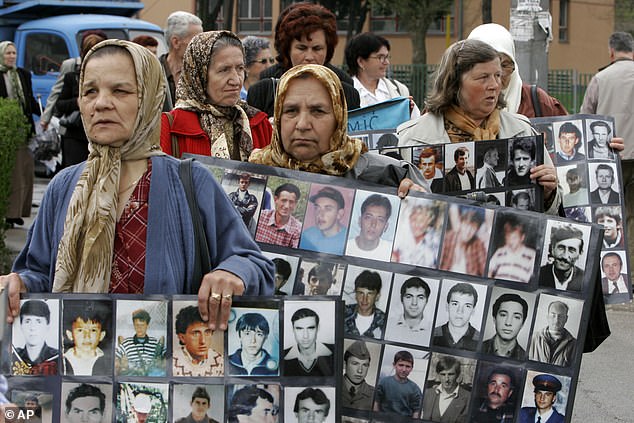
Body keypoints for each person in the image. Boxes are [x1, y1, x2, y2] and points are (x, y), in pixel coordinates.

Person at [1, 40, 274, 331]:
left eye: (120, 90)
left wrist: (231, 273)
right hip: (79, 366)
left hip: (165, 368)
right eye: (90, 91)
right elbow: (39, 271)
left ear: (150, 98)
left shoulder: (191, 182)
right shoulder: (64, 187)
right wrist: (19, 282)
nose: (101, 103)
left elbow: (254, 264)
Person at [397, 39, 562, 214]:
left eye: (498, 75)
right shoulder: (412, 138)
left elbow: (552, 211)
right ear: (454, 83)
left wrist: (548, 194)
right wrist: (400, 195)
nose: (494, 85)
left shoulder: (522, 131)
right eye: (483, 77)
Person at [248, 64, 427, 195]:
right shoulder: (251, 174)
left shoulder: (389, 174)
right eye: (291, 111)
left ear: (339, 118)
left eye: (317, 111)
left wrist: (414, 197)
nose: (302, 124)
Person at [160, 31, 272, 160]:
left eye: (240, 68)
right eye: (224, 70)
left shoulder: (259, 125)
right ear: (199, 76)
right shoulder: (172, 128)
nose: (236, 80)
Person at [581, 32, 633, 280]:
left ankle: (607, 270)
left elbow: (584, 117)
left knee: (608, 213)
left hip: (609, 161)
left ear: (611, 52)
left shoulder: (600, 79)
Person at [247, 2, 360, 117]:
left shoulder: (344, 90)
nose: (309, 57)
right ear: (288, 49)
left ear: (327, 50)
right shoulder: (265, 90)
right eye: (302, 48)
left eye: (317, 49)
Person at [467, 23, 568, 118]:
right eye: (485, 71)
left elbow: (568, 131)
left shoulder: (536, 100)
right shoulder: (456, 108)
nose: (496, 79)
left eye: (504, 65)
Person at [0, 41, 40, 228]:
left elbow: (30, 100)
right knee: (10, 172)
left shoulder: (23, 74)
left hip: (23, 130)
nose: (11, 56)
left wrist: (46, 116)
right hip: (5, 131)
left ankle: (18, 212)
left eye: (14, 53)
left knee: (25, 171)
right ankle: (8, 212)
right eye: (8, 53)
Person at [55, 32, 107, 168]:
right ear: (83, 53)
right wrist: (77, 102)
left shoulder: (112, 79)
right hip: (75, 136)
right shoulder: (73, 77)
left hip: (103, 137)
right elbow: (59, 106)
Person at [39, 30, 108, 131]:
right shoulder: (71, 66)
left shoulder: (110, 69)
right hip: (75, 125)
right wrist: (45, 118)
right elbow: (57, 92)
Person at [344, 32, 420, 118]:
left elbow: (415, 121)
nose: (386, 62)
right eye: (380, 57)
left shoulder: (399, 90)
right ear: (361, 61)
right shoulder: (345, 93)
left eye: (387, 57)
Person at [159, 11, 203, 106]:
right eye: (196, 41)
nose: (201, 46)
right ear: (176, 42)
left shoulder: (201, 74)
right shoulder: (153, 71)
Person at [62, 301, 111, 376]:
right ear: (70, 334)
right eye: (80, 330)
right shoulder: (62, 361)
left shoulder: (109, 361)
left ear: (101, 335)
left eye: (93, 330)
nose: (87, 336)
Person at [11, 300, 59, 375]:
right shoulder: (13, 357)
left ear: (47, 325)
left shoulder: (58, 359)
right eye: (27, 321)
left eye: (38, 321)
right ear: (21, 325)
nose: (32, 328)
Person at [173, 305, 223, 377]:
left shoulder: (220, 362)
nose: (203, 341)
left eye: (207, 332)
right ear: (182, 338)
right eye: (196, 333)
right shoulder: (172, 362)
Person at [283, 307, 334, 377]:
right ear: (293, 329)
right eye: (299, 329)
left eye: (310, 328)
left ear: (318, 328)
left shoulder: (335, 351)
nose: (305, 336)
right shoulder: (282, 356)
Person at [391, 200, 442, 268]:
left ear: (428, 221)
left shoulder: (435, 240)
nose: (416, 225)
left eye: (421, 221)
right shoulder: (403, 235)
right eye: (414, 219)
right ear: (409, 218)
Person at [439, 206, 488, 277]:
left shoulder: (478, 244)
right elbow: (438, 265)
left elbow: (485, 272)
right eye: (466, 225)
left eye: (473, 228)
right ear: (461, 223)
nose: (468, 231)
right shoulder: (447, 238)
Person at [115, 308, 165, 376]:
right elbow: (116, 355)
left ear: (147, 325)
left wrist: (162, 361)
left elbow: (167, 355)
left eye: (142, 325)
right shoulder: (127, 343)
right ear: (134, 325)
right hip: (133, 375)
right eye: (137, 325)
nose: (139, 328)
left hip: (151, 375)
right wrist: (119, 363)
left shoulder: (155, 342)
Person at [299, 186, 348, 254]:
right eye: (317, 208)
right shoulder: (307, 235)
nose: (320, 214)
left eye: (328, 209)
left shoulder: (349, 240)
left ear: (339, 214)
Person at [373, 350, 422, 418]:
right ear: (394, 365)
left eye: (407, 366)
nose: (404, 369)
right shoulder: (383, 382)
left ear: (411, 368)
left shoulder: (415, 389)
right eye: (401, 365)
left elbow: (416, 411)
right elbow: (376, 403)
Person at [433, 282, 480, 351]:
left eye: (467, 306)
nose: (460, 311)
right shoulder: (432, 334)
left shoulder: (480, 340)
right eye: (455, 304)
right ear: (447, 306)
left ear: (473, 310)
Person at [346, 194, 394, 261]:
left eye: (380, 220)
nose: (373, 224)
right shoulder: (346, 247)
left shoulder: (391, 253)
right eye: (368, 217)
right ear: (360, 221)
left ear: (386, 226)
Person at [487, 217, 536, 283]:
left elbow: (534, 279)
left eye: (514, 238)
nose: (511, 241)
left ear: (522, 237)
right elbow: (489, 271)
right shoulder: (500, 252)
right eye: (508, 237)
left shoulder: (531, 255)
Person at [422, 356, 470, 423]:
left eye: (450, 374)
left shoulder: (468, 398)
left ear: (457, 374)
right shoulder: (427, 394)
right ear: (438, 375)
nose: (446, 379)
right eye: (443, 374)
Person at [528, 301, 576, 367]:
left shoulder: (574, 345)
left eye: (561, 316)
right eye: (553, 315)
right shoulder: (533, 338)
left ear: (566, 319)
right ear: (547, 316)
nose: (556, 320)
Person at [482, 293, 529, 360]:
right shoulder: (478, 348)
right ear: (494, 318)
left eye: (516, 317)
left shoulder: (525, 358)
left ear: (523, 323)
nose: (508, 323)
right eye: (503, 315)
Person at [255, 182, 303, 248]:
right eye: (284, 200)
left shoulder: (298, 229)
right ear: (276, 200)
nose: (287, 206)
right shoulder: (260, 217)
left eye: (291, 202)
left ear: (295, 204)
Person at [539, 224, 585, 291]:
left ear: (579, 253)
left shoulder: (585, 280)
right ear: (552, 249)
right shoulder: (538, 275)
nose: (565, 256)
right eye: (561, 248)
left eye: (571, 250)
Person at [386, 277, 431, 344]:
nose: (414, 303)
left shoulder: (433, 330)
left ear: (426, 301)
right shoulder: (388, 325)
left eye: (420, 297)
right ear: (401, 299)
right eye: (409, 297)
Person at [343, 270, 385, 338]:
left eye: (370, 294)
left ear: (377, 296)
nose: (364, 299)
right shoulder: (342, 313)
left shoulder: (385, 321)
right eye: (361, 293)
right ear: (355, 294)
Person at [342, 341, 374, 411]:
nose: (360, 370)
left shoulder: (375, 395)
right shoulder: (332, 386)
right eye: (355, 363)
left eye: (365, 365)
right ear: (345, 364)